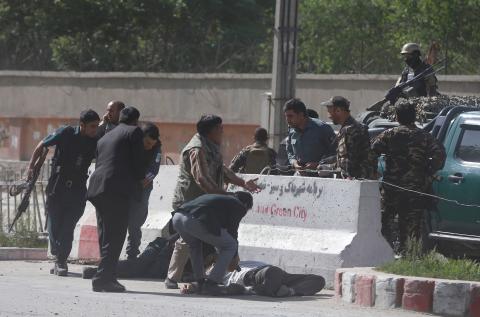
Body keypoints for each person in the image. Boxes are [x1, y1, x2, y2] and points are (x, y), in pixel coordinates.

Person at [165, 114, 260, 289]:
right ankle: (175, 277)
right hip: (190, 201)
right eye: (220, 128)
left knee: (195, 242)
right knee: (188, 241)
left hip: (204, 204)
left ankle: (199, 278)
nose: (223, 131)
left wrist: (243, 183)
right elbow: (202, 179)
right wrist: (223, 196)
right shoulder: (198, 149)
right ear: (211, 131)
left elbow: (222, 170)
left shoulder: (211, 147)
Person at [27, 110, 99, 276]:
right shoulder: (66, 132)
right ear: (82, 125)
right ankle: (57, 252)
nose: (95, 130)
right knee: (54, 223)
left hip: (78, 188)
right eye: (92, 126)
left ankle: (61, 261)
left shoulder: (94, 141)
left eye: (96, 126)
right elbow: (42, 145)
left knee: (68, 226)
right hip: (57, 187)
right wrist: (31, 166)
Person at [372, 101, 446, 253]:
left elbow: (372, 151)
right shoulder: (425, 137)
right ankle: (409, 258)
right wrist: (428, 172)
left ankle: (384, 253)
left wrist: (374, 171)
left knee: (383, 222)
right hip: (414, 189)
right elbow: (440, 155)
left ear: (397, 117)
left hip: (391, 188)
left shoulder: (389, 134)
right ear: (414, 116)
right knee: (412, 228)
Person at [87, 106, 146, 292]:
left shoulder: (105, 135)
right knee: (116, 235)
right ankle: (102, 278)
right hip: (115, 189)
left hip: (97, 187)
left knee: (106, 234)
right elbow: (139, 163)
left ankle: (109, 276)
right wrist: (139, 180)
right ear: (136, 121)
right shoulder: (134, 131)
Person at [171, 192, 254, 295]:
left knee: (195, 246)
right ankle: (211, 284)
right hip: (194, 221)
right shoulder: (239, 206)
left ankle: (200, 282)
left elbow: (218, 234)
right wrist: (234, 257)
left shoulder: (221, 200)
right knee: (231, 245)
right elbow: (232, 232)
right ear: (246, 205)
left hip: (178, 217)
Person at [125, 123, 162, 260]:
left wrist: (140, 184)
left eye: (152, 144)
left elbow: (153, 170)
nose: (149, 146)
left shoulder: (156, 148)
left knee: (136, 221)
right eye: (147, 142)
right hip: (126, 185)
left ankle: (132, 253)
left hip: (142, 188)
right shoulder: (131, 143)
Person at [319, 96, 376, 179]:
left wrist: (329, 168)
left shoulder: (349, 130)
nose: (329, 116)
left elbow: (347, 164)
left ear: (338, 111)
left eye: (329, 112)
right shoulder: (356, 127)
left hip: (355, 182)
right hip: (362, 180)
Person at [285, 98, 336, 175]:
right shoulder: (292, 130)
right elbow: (290, 151)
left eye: (290, 116)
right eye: (286, 116)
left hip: (321, 176)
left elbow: (335, 152)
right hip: (300, 175)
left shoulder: (321, 128)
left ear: (301, 115)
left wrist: (318, 164)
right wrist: (294, 162)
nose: (287, 120)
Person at [220, 261, 325, 297]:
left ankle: (290, 291)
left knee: (319, 280)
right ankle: (285, 290)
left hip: (272, 273)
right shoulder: (215, 272)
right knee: (273, 277)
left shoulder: (230, 261)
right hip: (255, 276)